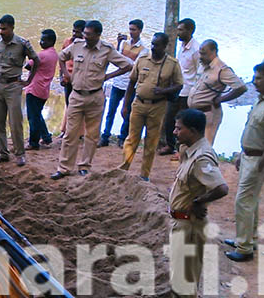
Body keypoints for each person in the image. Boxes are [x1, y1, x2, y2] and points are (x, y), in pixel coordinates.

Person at [152, 109, 228, 298]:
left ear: (193, 131)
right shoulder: (189, 150)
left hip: (189, 224)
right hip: (181, 221)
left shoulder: (202, 157)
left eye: (178, 128)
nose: (175, 132)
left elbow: (221, 187)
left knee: (184, 278)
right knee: (179, 275)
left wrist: (198, 202)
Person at [51, 20, 131, 179]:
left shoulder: (107, 50)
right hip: (76, 96)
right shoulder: (77, 45)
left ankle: (84, 166)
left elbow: (128, 65)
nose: (85, 36)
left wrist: (108, 76)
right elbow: (60, 57)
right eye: (84, 33)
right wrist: (66, 74)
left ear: (97, 35)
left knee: (92, 135)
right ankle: (64, 167)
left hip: (95, 97)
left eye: (88, 34)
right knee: (70, 134)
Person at [223, 61, 264, 262]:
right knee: (251, 201)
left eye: (259, 78)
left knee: (243, 201)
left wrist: (261, 165)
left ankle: (244, 248)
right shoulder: (261, 101)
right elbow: (252, 130)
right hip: (249, 155)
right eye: (255, 77)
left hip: (258, 159)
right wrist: (242, 154)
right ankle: (248, 238)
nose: (254, 81)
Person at [119, 32, 182, 180]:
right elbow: (131, 82)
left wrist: (164, 91)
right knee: (131, 139)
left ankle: (144, 175)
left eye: (157, 45)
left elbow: (179, 84)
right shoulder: (142, 59)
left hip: (157, 107)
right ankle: (123, 169)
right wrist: (125, 105)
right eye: (153, 44)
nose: (154, 47)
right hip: (139, 104)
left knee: (151, 142)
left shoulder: (172, 64)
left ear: (165, 46)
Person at [0, 14, 41, 166]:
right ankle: (2, 152)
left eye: (4, 29)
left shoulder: (22, 44)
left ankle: (20, 154)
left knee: (15, 122)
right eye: (0, 29)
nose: (1, 32)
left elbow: (36, 60)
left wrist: (28, 80)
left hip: (13, 86)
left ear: (12, 27)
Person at [186, 40, 247, 145]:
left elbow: (241, 87)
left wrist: (222, 99)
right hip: (194, 112)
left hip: (208, 114)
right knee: (190, 145)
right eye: (200, 53)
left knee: (204, 147)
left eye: (204, 53)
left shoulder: (222, 69)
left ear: (214, 52)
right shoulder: (202, 65)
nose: (201, 56)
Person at [100, 19, 147, 147]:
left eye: (134, 30)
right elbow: (116, 58)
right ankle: (105, 136)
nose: (131, 32)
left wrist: (121, 65)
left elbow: (133, 66)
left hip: (130, 84)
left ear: (140, 31)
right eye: (130, 29)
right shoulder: (124, 44)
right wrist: (119, 44)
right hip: (117, 82)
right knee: (111, 110)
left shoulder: (144, 49)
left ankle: (122, 137)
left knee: (127, 112)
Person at [159, 18, 200, 155]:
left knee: (184, 123)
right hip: (177, 89)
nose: (178, 33)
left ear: (190, 30)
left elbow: (199, 72)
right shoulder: (182, 46)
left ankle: (181, 150)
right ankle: (170, 145)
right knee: (169, 119)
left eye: (181, 30)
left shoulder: (196, 49)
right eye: (178, 30)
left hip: (188, 92)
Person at [25, 29, 58, 149]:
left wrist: (28, 52)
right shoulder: (54, 54)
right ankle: (46, 137)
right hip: (44, 89)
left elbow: (28, 66)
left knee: (33, 117)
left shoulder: (42, 55)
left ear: (50, 41)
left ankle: (33, 143)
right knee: (37, 114)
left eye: (43, 40)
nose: (40, 42)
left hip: (34, 88)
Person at [56, 20, 86, 138]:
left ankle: (78, 133)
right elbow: (61, 59)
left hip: (79, 80)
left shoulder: (85, 45)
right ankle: (66, 130)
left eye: (77, 32)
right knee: (69, 105)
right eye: (73, 31)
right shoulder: (67, 42)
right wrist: (61, 76)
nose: (74, 34)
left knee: (79, 106)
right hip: (67, 78)